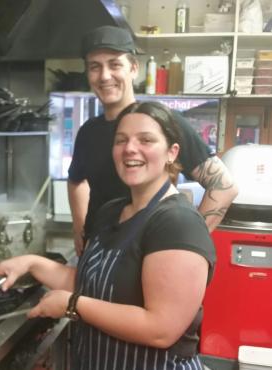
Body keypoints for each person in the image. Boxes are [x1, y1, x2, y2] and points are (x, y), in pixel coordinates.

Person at [0, 101, 216, 370]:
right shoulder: (112, 211)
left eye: (146, 140)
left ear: (172, 152)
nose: (130, 148)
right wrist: (31, 263)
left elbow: (160, 329)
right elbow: (91, 283)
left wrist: (72, 305)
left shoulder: (178, 223)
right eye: (121, 140)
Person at [68, 25, 238, 255]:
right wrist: (81, 229)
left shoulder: (160, 123)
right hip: (98, 257)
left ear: (134, 69)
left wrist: (187, 242)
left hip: (143, 261)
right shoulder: (88, 132)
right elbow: (76, 181)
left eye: (115, 64)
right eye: (95, 67)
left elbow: (224, 186)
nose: (105, 75)